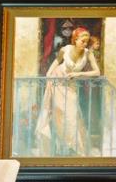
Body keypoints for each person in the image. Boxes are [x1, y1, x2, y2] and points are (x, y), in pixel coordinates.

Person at [33, 24, 104, 156]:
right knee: (58, 114)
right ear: (75, 40)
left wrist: (79, 74)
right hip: (57, 81)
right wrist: (48, 75)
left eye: (86, 42)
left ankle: (75, 148)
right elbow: (57, 61)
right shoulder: (65, 49)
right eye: (82, 41)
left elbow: (97, 72)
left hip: (70, 85)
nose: (85, 44)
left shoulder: (88, 53)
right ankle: (59, 148)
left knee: (71, 115)